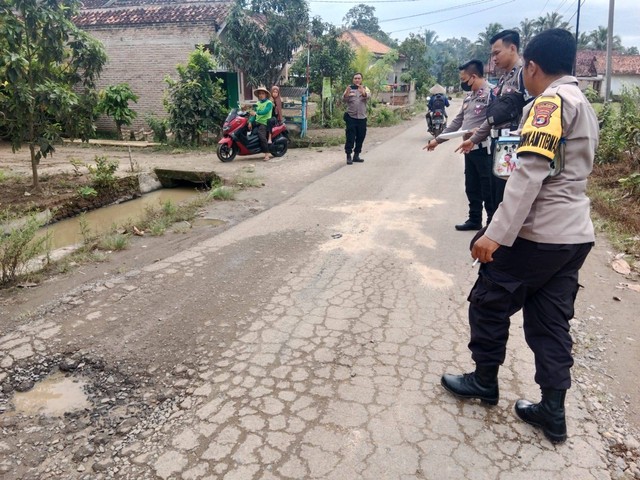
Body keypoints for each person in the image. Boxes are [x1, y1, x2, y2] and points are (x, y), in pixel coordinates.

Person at [440, 28, 599, 444]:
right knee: (550, 320)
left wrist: (495, 234)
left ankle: (484, 381)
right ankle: (552, 411)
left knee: (489, 300)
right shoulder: (583, 102)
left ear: (531, 66)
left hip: (539, 233)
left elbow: (528, 173)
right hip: (574, 235)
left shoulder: (549, 104)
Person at [457, 30, 529, 212]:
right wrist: (473, 139)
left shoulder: (525, 75)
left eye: (497, 53)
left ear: (512, 48)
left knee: (508, 199)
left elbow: (532, 111)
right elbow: (492, 119)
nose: (494, 58)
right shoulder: (504, 79)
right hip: (499, 147)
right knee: (497, 197)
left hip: (514, 148)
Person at [424, 60, 495, 230]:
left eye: (463, 79)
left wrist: (478, 133)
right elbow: (457, 121)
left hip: (486, 149)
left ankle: (491, 226)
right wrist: (438, 140)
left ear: (473, 76)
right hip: (469, 149)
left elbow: (495, 121)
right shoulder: (469, 96)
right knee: (472, 187)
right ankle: (475, 219)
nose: (462, 83)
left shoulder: (492, 94)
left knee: (488, 189)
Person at [343, 72, 370, 165]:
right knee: (350, 136)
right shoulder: (349, 89)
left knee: (361, 137)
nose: (357, 80)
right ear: (353, 80)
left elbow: (367, 96)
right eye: (355, 78)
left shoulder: (366, 88)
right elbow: (344, 99)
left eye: (359, 78)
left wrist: (362, 90)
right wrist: (347, 92)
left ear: (361, 79)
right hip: (351, 117)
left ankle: (356, 155)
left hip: (362, 118)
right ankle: (348, 156)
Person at [249, 87, 273, 161]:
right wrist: (250, 121)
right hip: (256, 122)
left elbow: (265, 111)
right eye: (260, 94)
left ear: (266, 95)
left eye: (263, 93)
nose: (261, 95)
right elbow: (253, 115)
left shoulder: (269, 103)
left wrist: (256, 112)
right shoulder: (257, 103)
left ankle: (266, 154)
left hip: (264, 123)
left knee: (261, 136)